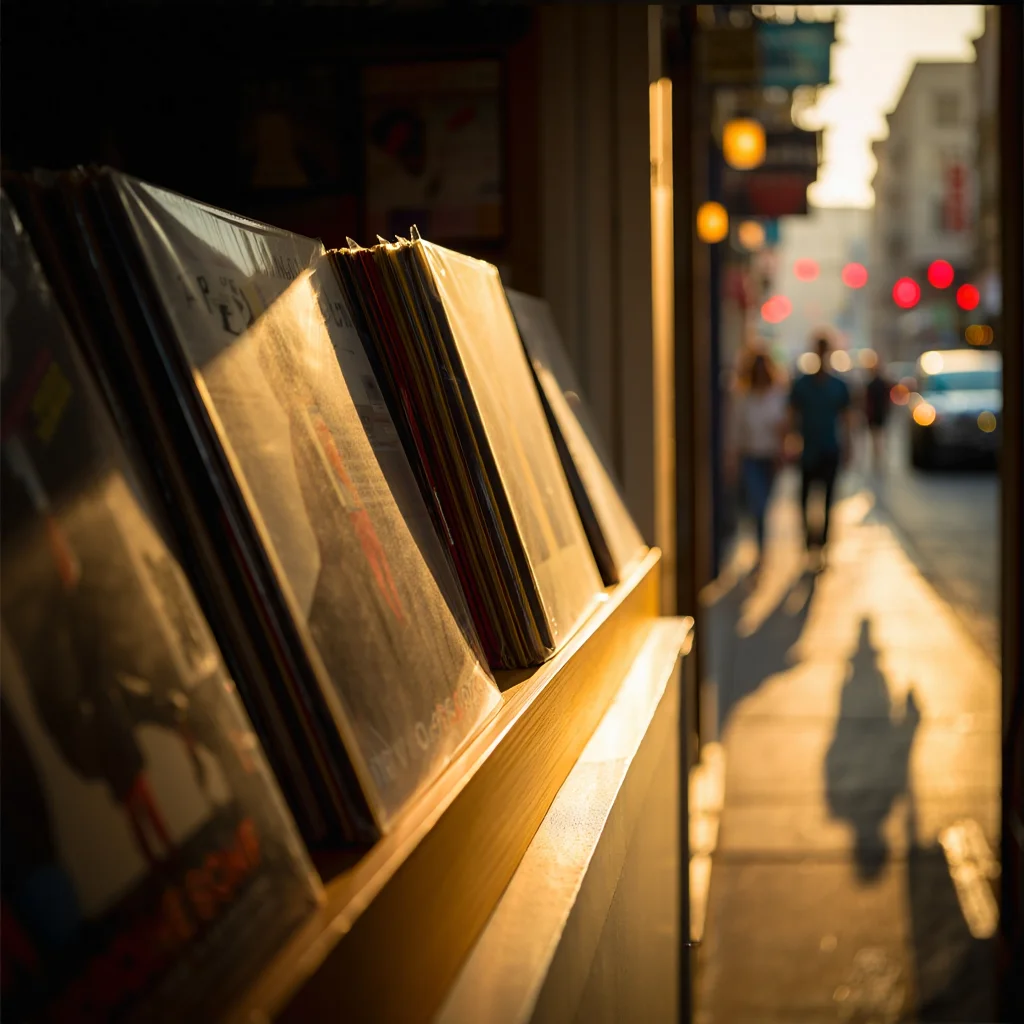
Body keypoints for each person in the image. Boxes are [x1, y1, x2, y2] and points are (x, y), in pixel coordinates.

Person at [789, 334, 852, 565]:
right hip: (808, 450)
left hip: (829, 449)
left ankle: (822, 543)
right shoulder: (802, 385)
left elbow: (846, 419)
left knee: (827, 499)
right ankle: (809, 541)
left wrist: (848, 446)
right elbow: (792, 415)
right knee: (805, 498)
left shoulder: (838, 386)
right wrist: (791, 441)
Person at [726, 349, 787, 574]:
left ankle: (762, 548)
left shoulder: (777, 395)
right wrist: (732, 457)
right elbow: (735, 429)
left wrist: (783, 447)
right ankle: (760, 549)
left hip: (769, 458)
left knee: (764, 505)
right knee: (757, 504)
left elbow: (784, 426)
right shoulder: (743, 397)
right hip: (750, 456)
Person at [863, 361, 893, 473]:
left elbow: (868, 401)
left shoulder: (872, 384)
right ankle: (878, 460)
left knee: (876, 439)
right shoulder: (883, 384)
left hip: (875, 415)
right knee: (879, 438)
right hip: (880, 414)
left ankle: (877, 460)